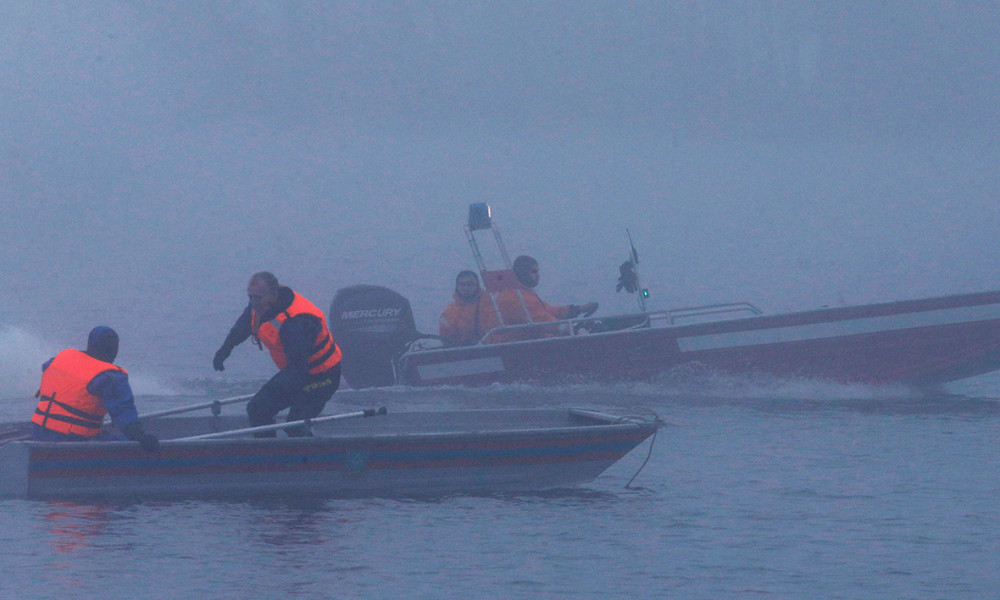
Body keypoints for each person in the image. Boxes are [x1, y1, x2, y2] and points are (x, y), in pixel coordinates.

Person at [213, 271, 342, 437]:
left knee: (295, 425)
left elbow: (298, 369)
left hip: (322, 377)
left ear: (273, 295)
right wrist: (225, 350)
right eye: (250, 297)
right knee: (257, 410)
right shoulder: (259, 304)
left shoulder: (298, 321)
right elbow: (244, 325)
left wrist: (270, 390)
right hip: (297, 372)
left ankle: (308, 460)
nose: (253, 303)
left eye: (257, 298)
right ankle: (269, 456)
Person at [30, 326, 159, 452]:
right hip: (73, 439)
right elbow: (123, 410)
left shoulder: (58, 360)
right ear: (113, 349)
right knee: (127, 443)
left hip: (38, 431)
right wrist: (139, 436)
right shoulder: (109, 376)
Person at [480, 255, 599, 343]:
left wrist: (579, 309)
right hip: (510, 347)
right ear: (523, 273)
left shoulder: (524, 293)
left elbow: (547, 311)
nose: (538, 275)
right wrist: (575, 331)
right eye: (533, 271)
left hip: (521, 343)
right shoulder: (514, 297)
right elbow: (543, 320)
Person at [438, 270, 489, 346]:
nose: (466, 288)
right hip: (464, 354)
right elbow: (446, 341)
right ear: (457, 287)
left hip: (491, 350)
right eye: (462, 285)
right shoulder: (448, 313)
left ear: (477, 285)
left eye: (470, 284)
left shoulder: (491, 305)